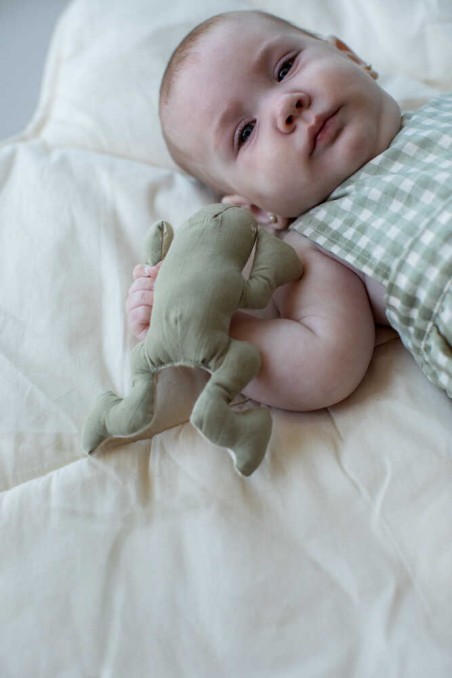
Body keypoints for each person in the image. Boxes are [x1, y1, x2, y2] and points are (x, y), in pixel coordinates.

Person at [127, 9, 452, 407]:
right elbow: (320, 365)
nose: (286, 104)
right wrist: (207, 325)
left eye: (285, 68)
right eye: (246, 132)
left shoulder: (441, 106)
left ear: (349, 55)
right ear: (256, 208)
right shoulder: (318, 245)